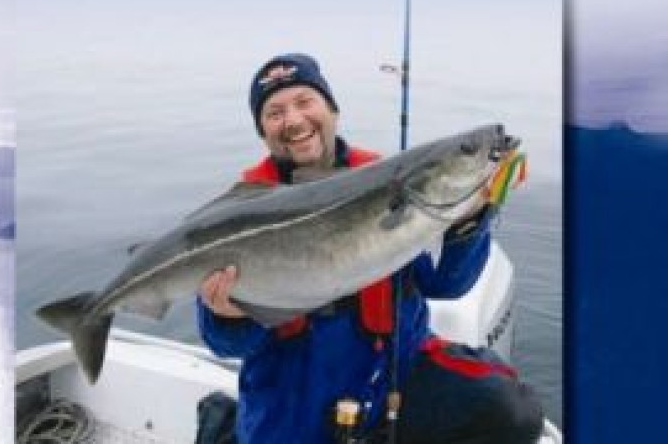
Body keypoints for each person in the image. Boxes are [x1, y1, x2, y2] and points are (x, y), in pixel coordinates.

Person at [195, 53, 543, 444]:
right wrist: (228, 316)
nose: (293, 120)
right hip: (294, 394)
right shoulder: (240, 216)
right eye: (275, 113)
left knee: (512, 413)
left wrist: (471, 218)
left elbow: (448, 284)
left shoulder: (390, 185)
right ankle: (224, 426)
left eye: (305, 101)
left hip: (395, 370)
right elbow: (224, 344)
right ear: (263, 132)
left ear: (333, 110)